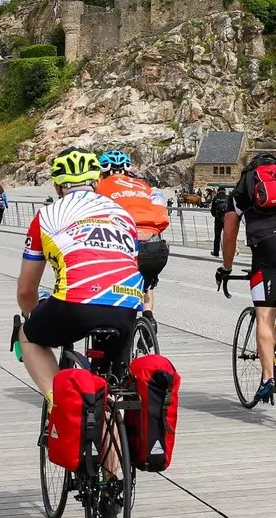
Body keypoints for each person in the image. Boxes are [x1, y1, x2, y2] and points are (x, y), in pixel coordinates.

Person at [16, 149, 144, 397]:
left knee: (28, 335)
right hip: (126, 307)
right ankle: (112, 429)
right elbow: (130, 265)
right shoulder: (124, 215)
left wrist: (31, 314)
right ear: (97, 182)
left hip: (74, 304)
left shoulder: (46, 215)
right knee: (110, 394)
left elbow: (26, 289)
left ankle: (60, 404)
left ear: (56, 186)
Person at [216, 150, 276, 406]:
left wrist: (226, 267)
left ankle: (268, 379)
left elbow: (230, 236)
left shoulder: (240, 194)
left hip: (267, 247)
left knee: (264, 316)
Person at [93, 150, 170, 312]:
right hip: (153, 243)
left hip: (121, 242)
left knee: (109, 281)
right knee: (147, 283)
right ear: (127, 170)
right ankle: (148, 319)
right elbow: (161, 214)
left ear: (104, 171)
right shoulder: (144, 186)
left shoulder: (99, 186)